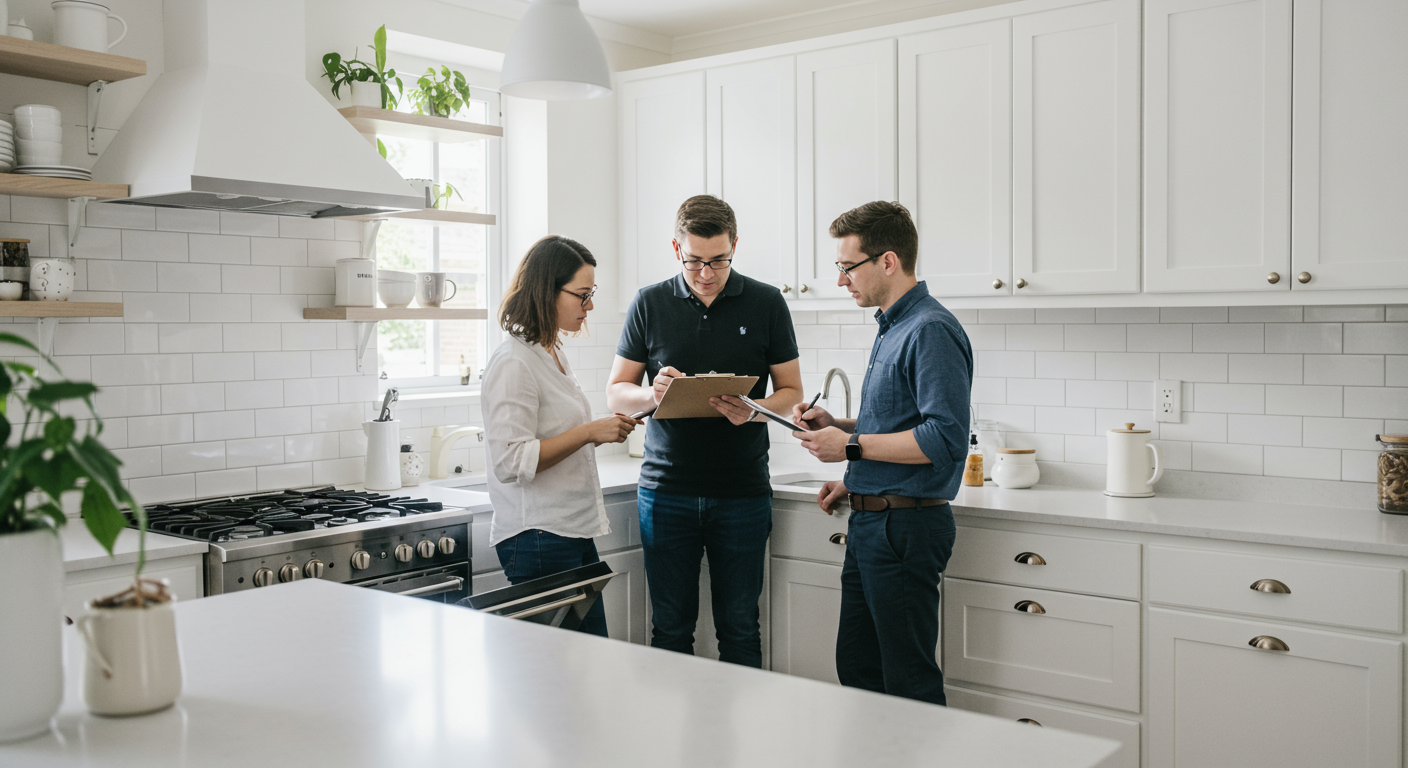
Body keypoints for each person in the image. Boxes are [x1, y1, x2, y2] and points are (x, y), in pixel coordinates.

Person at [606, 195, 804, 667]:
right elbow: (616, 393)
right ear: (676, 248)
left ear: (735, 245)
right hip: (666, 491)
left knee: (740, 628)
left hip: (742, 492)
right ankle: (677, 741)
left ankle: (740, 742)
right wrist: (653, 395)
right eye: (694, 261)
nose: (707, 273)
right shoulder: (649, 302)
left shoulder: (766, 302)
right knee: (671, 629)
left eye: (719, 260)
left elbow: (792, 391)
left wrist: (753, 411)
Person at [790, 201, 972, 705]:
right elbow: (901, 423)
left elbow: (945, 439)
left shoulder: (929, 330)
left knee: (907, 682)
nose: (842, 280)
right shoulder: (892, 326)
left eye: (848, 267)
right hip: (874, 523)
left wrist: (850, 445)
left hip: (905, 529)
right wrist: (843, 431)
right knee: (860, 668)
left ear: (887, 262)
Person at [481, 235, 642, 638]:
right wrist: (590, 432)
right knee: (561, 673)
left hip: (566, 532)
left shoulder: (549, 351)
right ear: (546, 291)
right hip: (538, 537)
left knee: (581, 665)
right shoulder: (513, 362)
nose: (589, 307)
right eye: (582, 295)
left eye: (592, 294)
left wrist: (598, 430)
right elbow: (511, 462)